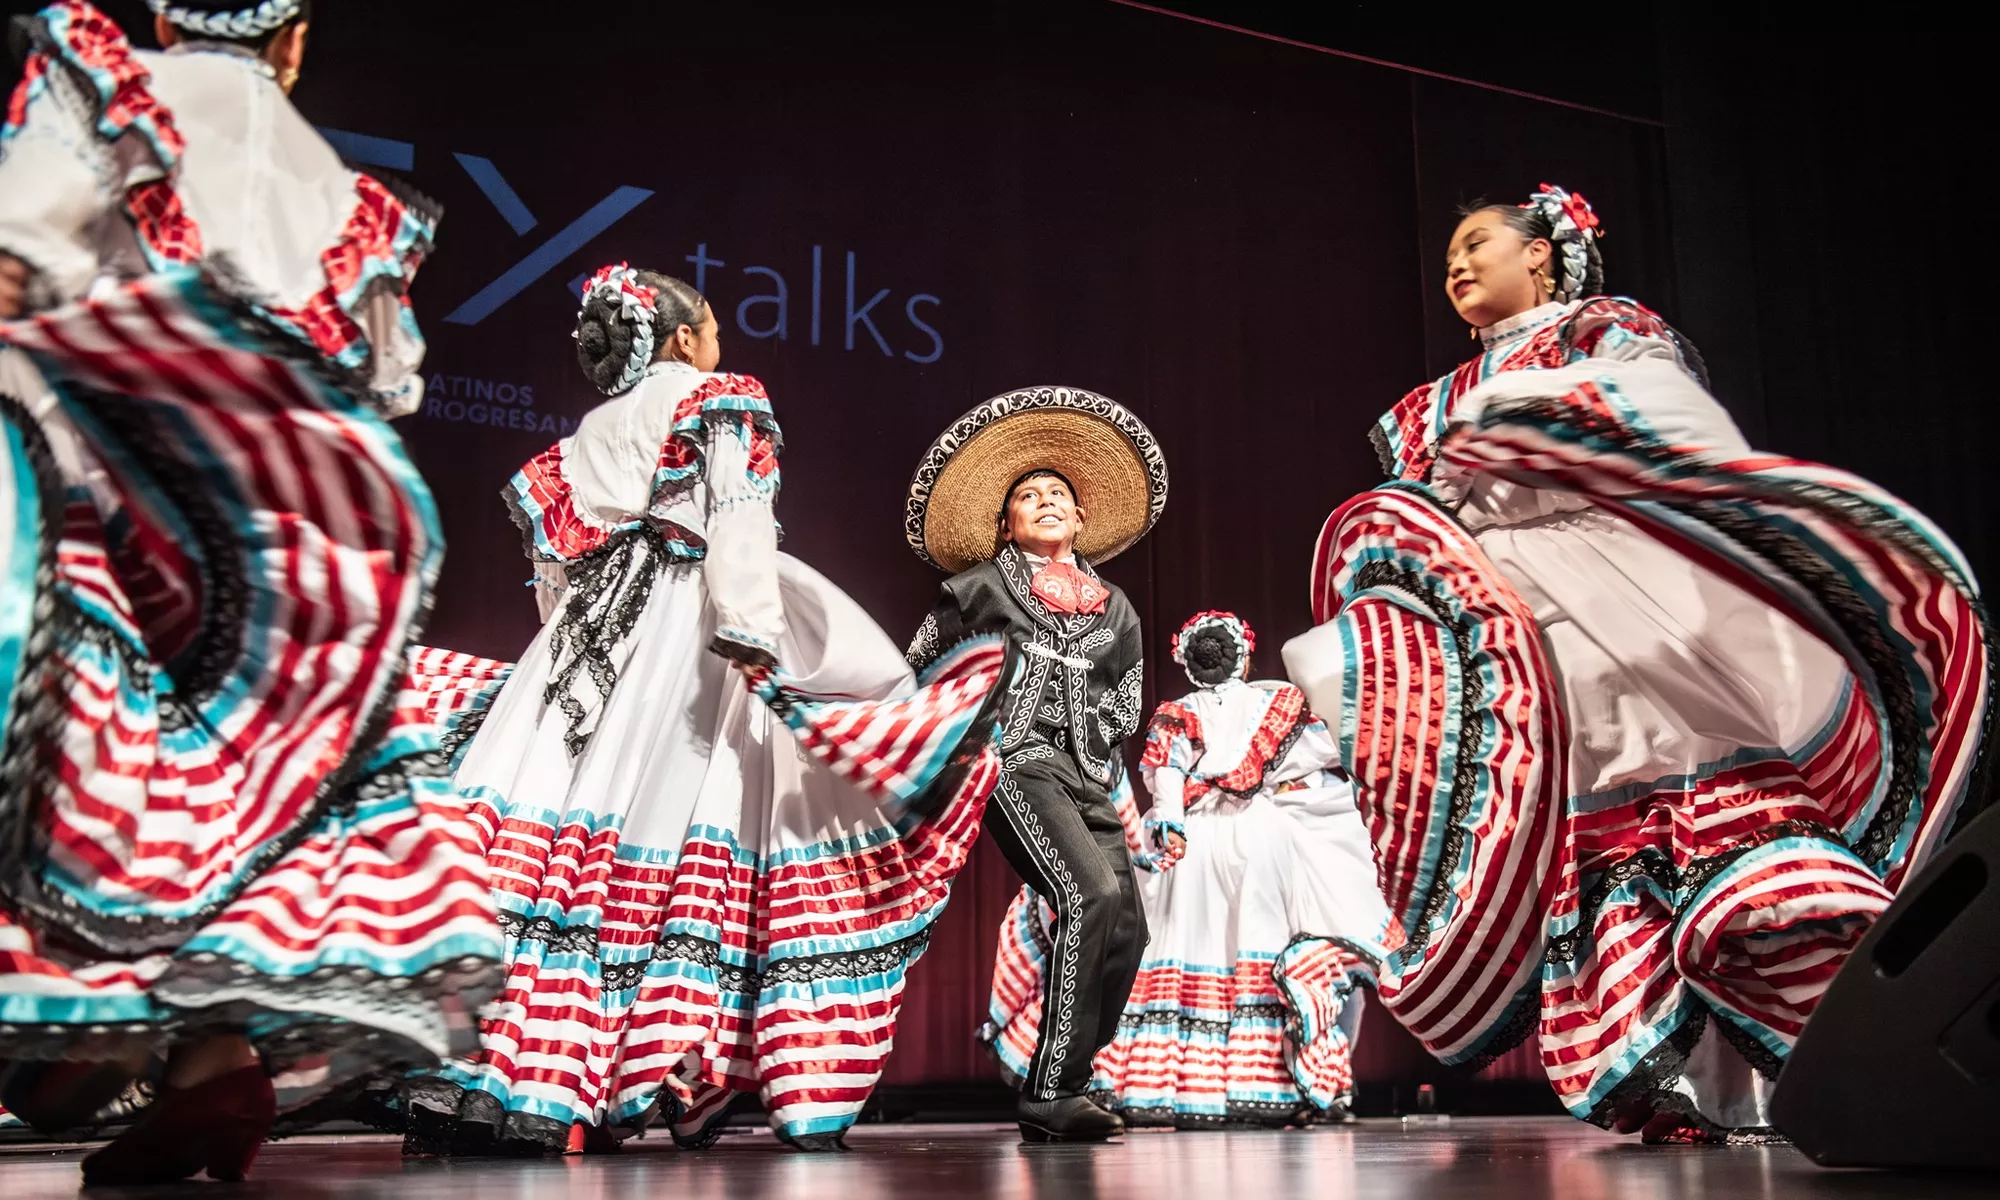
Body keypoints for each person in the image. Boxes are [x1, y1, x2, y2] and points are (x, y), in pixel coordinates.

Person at [1284, 184, 1991, 1143]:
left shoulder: (1602, 331)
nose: (1457, 263)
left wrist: (1522, 418)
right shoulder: (1423, 408)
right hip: (1526, 632)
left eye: (1479, 242)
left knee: (1707, 786)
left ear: (1542, 256)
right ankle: (1675, 1083)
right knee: (1607, 829)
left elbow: (1664, 419)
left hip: (1629, 585)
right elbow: (1416, 534)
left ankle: (1832, 1061)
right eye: (1449, 252)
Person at [0, 0, 503, 1184]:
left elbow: (24, 244)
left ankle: (112, 1029)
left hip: (124, 482)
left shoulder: (116, 76)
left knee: (90, 756)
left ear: (165, 14)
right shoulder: (337, 185)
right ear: (293, 43)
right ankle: (207, 1065)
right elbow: (388, 378)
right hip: (290, 534)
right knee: (256, 788)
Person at [380, 263, 1013, 1156]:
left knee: (550, 838)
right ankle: (565, 1089)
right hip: (684, 628)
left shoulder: (589, 434)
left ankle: (476, 1084)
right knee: (660, 834)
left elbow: (556, 573)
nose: (718, 338)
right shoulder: (723, 397)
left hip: (578, 647)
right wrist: (752, 633)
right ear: (685, 339)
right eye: (711, 322)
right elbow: (738, 515)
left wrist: (574, 655)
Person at [984, 610, 1389, 1128]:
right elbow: (1326, 747)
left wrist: (1169, 824)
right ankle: (1264, 1078)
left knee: (1185, 940)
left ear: (1191, 663)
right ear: (1241, 657)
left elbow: (1166, 777)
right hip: (1263, 835)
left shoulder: (1178, 712)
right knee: (1254, 941)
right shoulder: (1274, 703)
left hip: (1194, 837)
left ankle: (1171, 1079)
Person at [904, 386, 1169, 1142]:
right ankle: (1050, 1092)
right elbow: (918, 661)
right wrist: (968, 719)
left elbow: (1128, 696)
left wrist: (1090, 721)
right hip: (1013, 762)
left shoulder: (1115, 605)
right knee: (1087, 894)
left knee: (1127, 929)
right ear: (1005, 522)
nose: (1047, 500)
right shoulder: (979, 585)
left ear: (1082, 519)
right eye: (1029, 495)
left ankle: (1070, 1079)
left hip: (1088, 771)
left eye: (1059, 493)